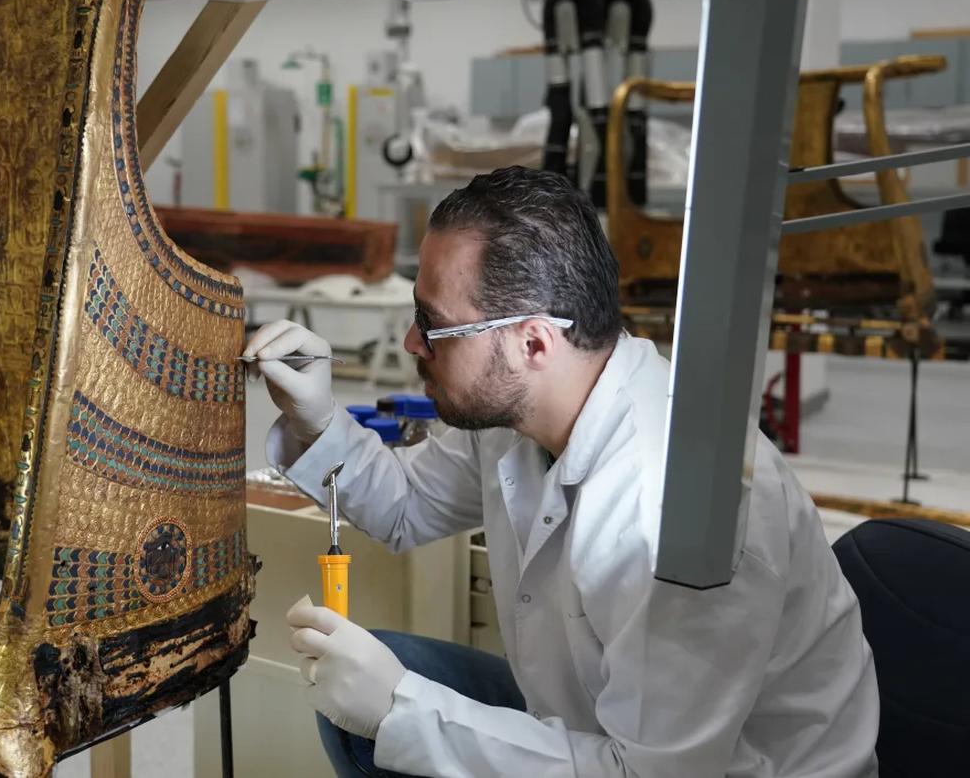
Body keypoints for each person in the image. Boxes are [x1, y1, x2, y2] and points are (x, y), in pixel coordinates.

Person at [243, 166, 879, 777]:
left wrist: (403, 710)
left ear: (534, 342)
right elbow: (406, 503)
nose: (412, 344)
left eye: (432, 325)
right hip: (597, 729)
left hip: (710, 768)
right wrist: (318, 418)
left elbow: (652, 773)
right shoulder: (521, 415)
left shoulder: (672, 513)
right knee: (366, 695)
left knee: (390, 709)